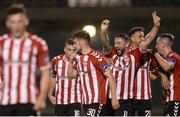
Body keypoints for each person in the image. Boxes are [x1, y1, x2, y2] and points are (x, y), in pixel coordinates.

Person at [100, 11, 160, 116]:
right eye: (115, 43)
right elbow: (105, 43)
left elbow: (148, 40)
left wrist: (155, 26)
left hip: (127, 99)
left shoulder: (135, 55)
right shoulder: (113, 52)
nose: (116, 45)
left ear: (126, 43)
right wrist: (103, 31)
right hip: (108, 98)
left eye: (118, 43)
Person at [0, 4, 50, 116]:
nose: (16, 26)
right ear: (7, 23)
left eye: (19, 21)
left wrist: (41, 98)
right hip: (4, 101)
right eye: (13, 22)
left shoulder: (38, 43)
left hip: (29, 100)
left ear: (26, 21)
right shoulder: (2, 42)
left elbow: (46, 72)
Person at [67, 31, 120, 116]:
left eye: (75, 43)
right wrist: (70, 61)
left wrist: (114, 98)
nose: (74, 46)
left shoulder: (96, 57)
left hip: (97, 100)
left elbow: (110, 76)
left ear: (82, 43)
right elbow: (71, 75)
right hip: (85, 101)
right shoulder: (78, 58)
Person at [48, 39, 81, 116]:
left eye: (74, 50)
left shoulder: (79, 60)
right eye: (69, 49)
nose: (71, 52)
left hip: (75, 100)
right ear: (65, 49)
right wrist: (49, 94)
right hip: (60, 101)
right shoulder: (56, 60)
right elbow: (53, 76)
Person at [154, 33, 180, 116]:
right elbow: (153, 76)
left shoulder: (173, 56)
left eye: (157, 43)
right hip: (168, 99)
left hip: (176, 98)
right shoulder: (163, 60)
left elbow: (167, 67)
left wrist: (155, 54)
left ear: (163, 45)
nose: (156, 46)